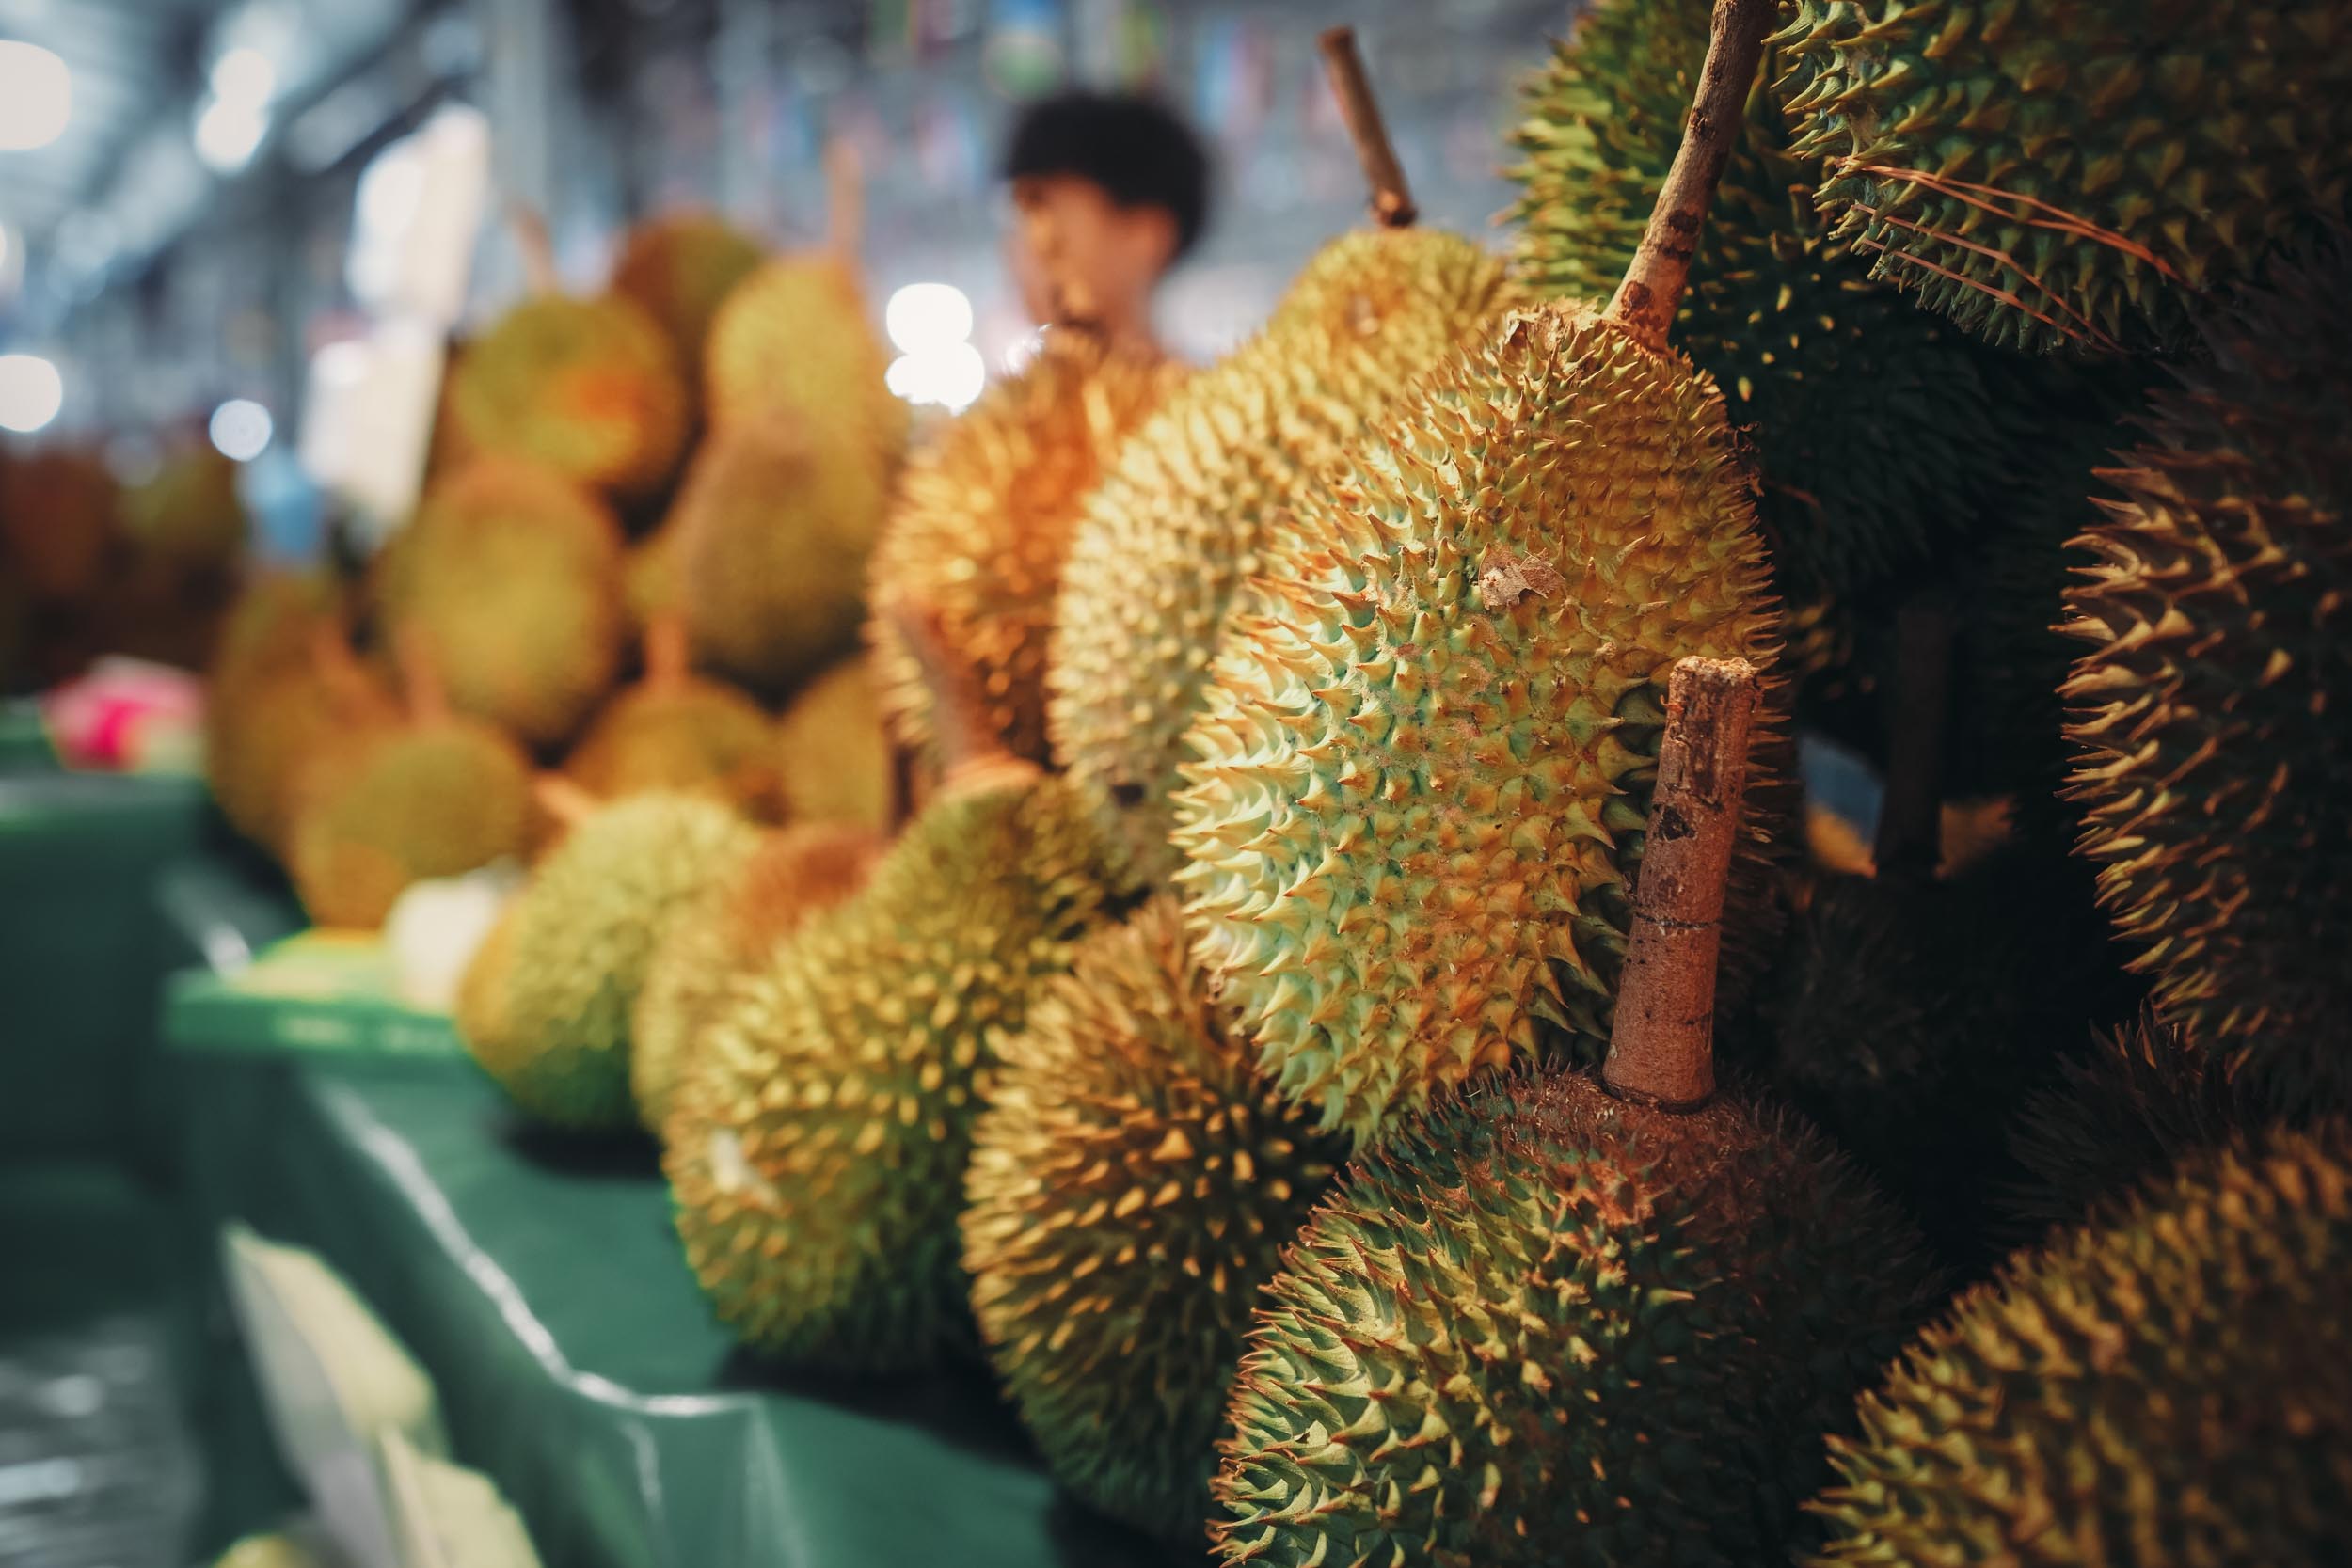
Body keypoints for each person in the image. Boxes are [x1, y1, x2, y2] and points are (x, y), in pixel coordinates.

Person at [1001, 89, 1210, 356]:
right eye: (1018, 224)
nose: (1022, 251)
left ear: (1145, 235)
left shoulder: (1219, 397)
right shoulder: (1018, 398)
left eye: (1047, 223)